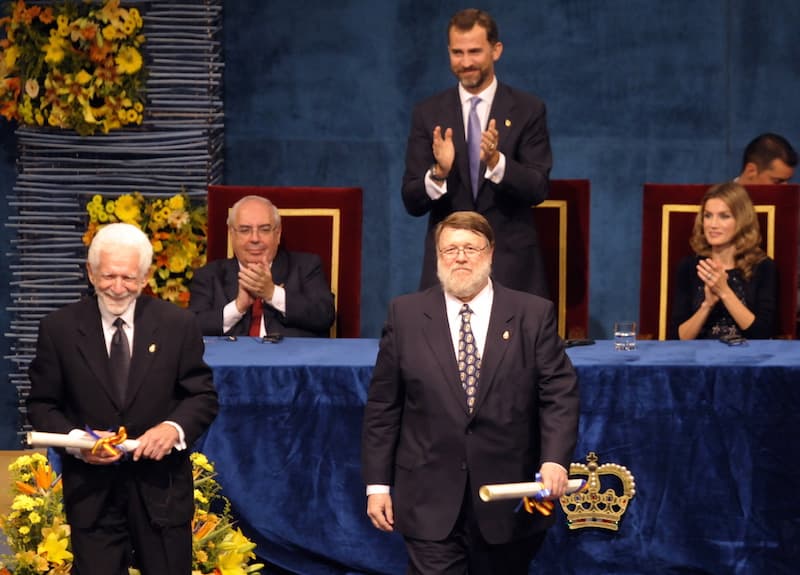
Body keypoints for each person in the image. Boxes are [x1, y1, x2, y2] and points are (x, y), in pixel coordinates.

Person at [361, 211, 579, 574]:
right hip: (428, 499)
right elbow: (384, 407)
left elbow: (559, 394)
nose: (459, 257)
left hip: (509, 503)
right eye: (449, 250)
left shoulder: (532, 314)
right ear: (437, 257)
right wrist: (377, 485)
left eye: (470, 248)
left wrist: (554, 460)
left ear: (490, 254)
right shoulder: (406, 315)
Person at [27, 222, 219, 575]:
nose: (117, 288)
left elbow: (202, 395)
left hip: (161, 492)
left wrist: (173, 428)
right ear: (90, 271)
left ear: (145, 276)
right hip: (92, 496)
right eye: (108, 276)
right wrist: (76, 442)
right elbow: (41, 404)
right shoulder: (58, 329)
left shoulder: (178, 325)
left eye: (129, 278)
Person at [401, 8, 552, 299]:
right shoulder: (428, 113)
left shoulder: (527, 109)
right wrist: (438, 174)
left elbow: (538, 188)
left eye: (475, 51)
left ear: (496, 50)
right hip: (448, 266)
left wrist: (497, 163)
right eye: (457, 53)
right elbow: (411, 199)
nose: (466, 62)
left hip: (511, 266)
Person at [189, 195, 336, 338]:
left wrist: (272, 294)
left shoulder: (306, 267)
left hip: (291, 360)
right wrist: (238, 307)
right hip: (231, 361)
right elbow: (192, 328)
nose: (254, 239)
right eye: (245, 230)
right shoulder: (209, 275)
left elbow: (325, 315)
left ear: (277, 234)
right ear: (232, 235)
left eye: (264, 229)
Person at [669, 182, 777, 340]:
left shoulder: (763, 267)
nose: (713, 225)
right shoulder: (689, 267)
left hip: (747, 359)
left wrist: (724, 292)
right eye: (708, 216)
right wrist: (707, 306)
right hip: (697, 359)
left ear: (742, 221)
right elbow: (677, 339)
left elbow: (762, 334)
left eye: (724, 216)